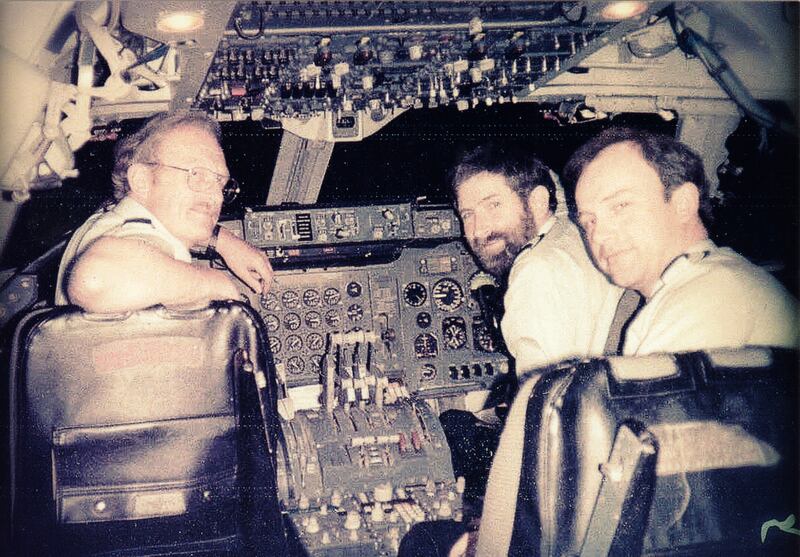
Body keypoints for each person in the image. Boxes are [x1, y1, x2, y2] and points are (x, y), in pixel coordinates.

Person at [565, 126, 797, 354]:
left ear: (683, 203)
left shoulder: (710, 298)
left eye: (620, 205)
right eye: (589, 222)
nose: (598, 235)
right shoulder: (705, 281)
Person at [55, 111, 273, 312]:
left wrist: (223, 240)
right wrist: (214, 283)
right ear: (142, 181)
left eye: (221, 184)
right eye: (197, 175)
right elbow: (95, 278)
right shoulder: (138, 235)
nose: (217, 197)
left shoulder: (108, 220)